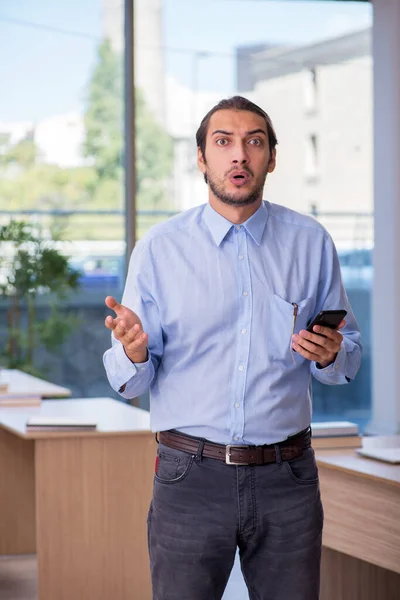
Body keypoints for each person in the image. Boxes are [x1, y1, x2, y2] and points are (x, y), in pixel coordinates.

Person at [103, 95, 362, 600]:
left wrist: (331, 352)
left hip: (287, 479)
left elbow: (347, 356)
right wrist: (133, 352)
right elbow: (131, 378)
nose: (238, 155)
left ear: (272, 157)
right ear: (202, 158)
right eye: (223, 142)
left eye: (254, 142)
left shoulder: (312, 243)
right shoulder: (159, 249)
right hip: (188, 476)